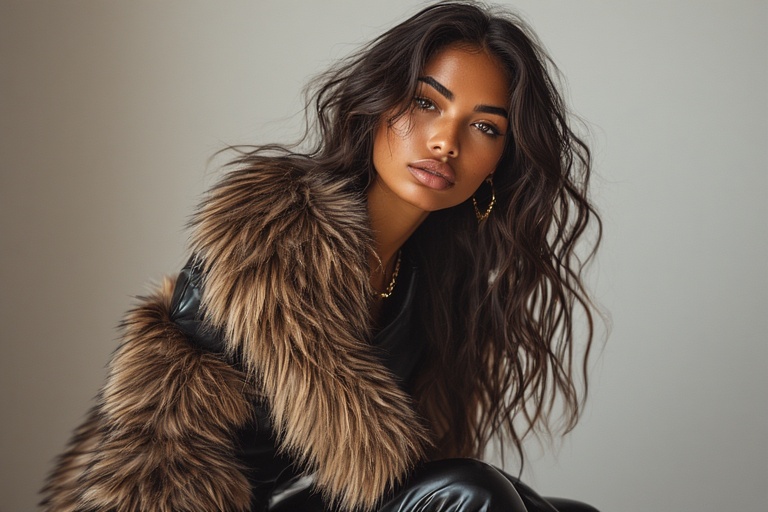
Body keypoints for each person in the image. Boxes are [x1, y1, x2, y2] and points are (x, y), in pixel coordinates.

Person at [41, 1, 602, 511]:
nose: (445, 141)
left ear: (501, 160)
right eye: (426, 102)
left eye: (484, 126)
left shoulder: (434, 279)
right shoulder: (266, 251)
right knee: (473, 493)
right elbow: (151, 449)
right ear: (377, 105)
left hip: (310, 503)